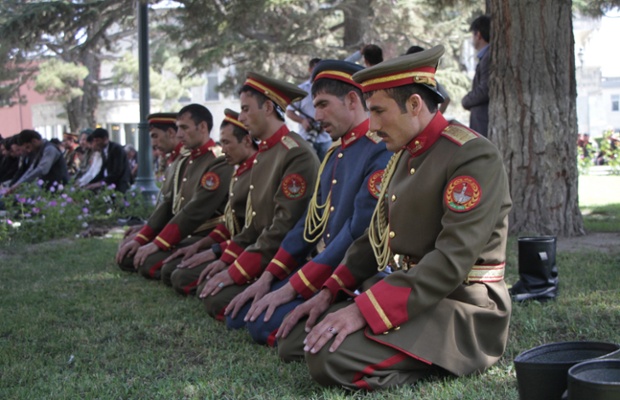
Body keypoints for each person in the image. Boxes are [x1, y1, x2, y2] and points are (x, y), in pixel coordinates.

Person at [277, 45, 512, 390]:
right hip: (410, 294)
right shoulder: (404, 152)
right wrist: (329, 292)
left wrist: (361, 310)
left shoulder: (472, 155)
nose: (371, 126)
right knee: (295, 338)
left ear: (414, 105)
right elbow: (375, 238)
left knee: (326, 356)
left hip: (461, 306)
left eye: (378, 111)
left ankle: (445, 362)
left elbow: (451, 261)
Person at [225, 60, 393, 345]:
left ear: (352, 100)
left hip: (352, 272)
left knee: (262, 327)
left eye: (323, 104)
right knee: (240, 316)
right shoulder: (335, 152)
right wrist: (270, 275)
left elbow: (356, 231)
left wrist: (293, 287)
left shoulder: (378, 150)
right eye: (315, 106)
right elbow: (309, 223)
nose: (316, 115)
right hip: (320, 264)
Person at [195, 72, 319, 321]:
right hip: (264, 252)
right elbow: (255, 225)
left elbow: (283, 227)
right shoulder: (265, 153)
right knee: (208, 289)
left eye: (245, 109)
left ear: (269, 107)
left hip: (285, 261)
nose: (241, 118)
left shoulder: (296, 154)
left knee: (220, 301)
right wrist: (227, 259)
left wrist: (237, 271)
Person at [116, 104, 233, 280]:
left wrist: (157, 242)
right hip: (183, 233)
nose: (178, 135)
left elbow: (195, 211)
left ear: (202, 127)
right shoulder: (187, 160)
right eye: (178, 128)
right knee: (130, 258)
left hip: (205, 235)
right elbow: (169, 204)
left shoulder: (218, 160)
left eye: (184, 128)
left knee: (153, 265)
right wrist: (143, 236)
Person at [162, 109, 258, 294]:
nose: (223, 149)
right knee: (173, 271)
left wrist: (216, 250)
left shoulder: (258, 170)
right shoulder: (241, 171)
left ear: (246, 141)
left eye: (227, 143)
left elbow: (254, 232)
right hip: (231, 244)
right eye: (222, 143)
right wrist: (202, 245)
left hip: (251, 249)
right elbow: (231, 222)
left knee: (184, 279)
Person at [115, 112, 185, 252]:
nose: (153, 143)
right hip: (174, 227)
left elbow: (179, 210)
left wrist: (146, 235)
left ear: (171, 132)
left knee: (138, 258)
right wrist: (146, 228)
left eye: (155, 136)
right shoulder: (175, 160)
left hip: (185, 231)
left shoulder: (186, 160)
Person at [286, 58, 333, 160]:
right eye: (316, 69)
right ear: (309, 69)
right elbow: (289, 111)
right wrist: (302, 121)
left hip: (326, 139)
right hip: (306, 139)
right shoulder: (301, 90)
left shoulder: (330, 89)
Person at [4, 129, 69, 194]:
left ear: (34, 141)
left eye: (28, 147)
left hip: (60, 189)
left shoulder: (50, 149)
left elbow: (42, 169)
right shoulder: (38, 151)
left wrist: (19, 185)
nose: (28, 151)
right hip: (48, 189)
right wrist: (16, 185)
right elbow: (31, 170)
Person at [461, 15, 491, 137]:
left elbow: (485, 89)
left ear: (478, 35)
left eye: (472, 35)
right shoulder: (485, 57)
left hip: (484, 122)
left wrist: (466, 100)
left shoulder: (488, 57)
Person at [82, 128, 132, 193]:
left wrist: (101, 183)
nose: (96, 143)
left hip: (121, 184)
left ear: (105, 139)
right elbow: (103, 171)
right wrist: (89, 183)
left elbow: (117, 172)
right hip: (110, 182)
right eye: (94, 141)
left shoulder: (116, 149)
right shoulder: (103, 150)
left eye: (97, 141)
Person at [406, 45, 451, 114]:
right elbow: (446, 99)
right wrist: (437, 116)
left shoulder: (404, 81)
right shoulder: (429, 80)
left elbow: (446, 99)